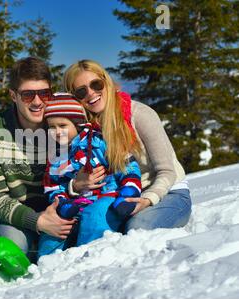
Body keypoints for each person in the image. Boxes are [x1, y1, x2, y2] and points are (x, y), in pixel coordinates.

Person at [0, 57, 76, 262]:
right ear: (13, 96)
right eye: (27, 95)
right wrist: (38, 222)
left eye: (44, 93)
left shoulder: (60, 127)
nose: (37, 102)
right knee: (17, 244)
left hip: (49, 208)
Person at [63, 60, 192, 233]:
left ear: (106, 81)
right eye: (81, 91)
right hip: (121, 197)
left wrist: (147, 199)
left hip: (167, 193)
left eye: (96, 84)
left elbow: (167, 171)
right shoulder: (85, 131)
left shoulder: (139, 114)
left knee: (137, 229)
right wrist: (75, 185)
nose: (91, 93)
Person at [38, 94, 142, 258]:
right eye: (51, 127)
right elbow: (52, 185)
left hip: (108, 197)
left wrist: (129, 189)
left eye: (62, 125)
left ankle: (88, 257)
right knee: (54, 229)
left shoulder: (99, 141)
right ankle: (46, 263)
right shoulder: (55, 157)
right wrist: (62, 200)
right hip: (75, 204)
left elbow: (127, 165)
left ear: (77, 124)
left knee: (94, 215)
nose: (57, 132)